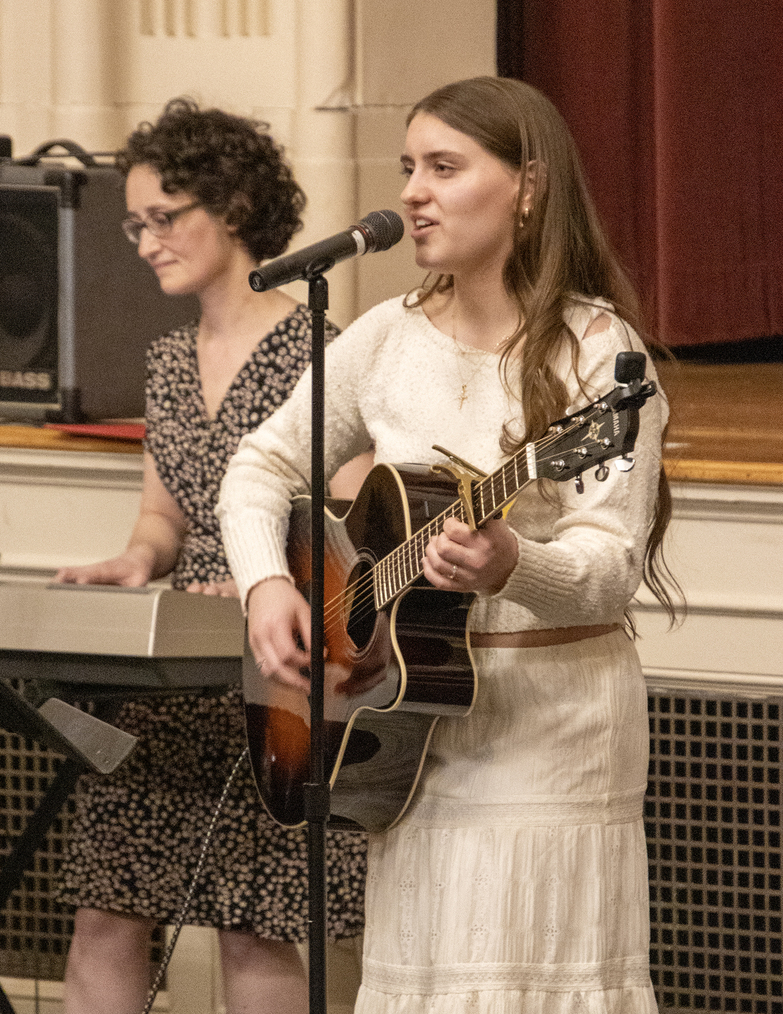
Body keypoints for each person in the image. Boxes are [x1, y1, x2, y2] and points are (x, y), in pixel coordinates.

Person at [217, 76, 678, 1013]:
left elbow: (610, 573)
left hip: (556, 731)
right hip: (411, 732)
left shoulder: (597, 356)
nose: (413, 193)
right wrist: (271, 587)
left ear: (529, 187)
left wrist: (517, 563)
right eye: (406, 169)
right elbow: (257, 468)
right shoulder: (388, 337)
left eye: (445, 167)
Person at [55, 98, 369, 1014]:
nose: (147, 241)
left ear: (231, 208)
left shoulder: (318, 348)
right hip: (169, 682)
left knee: (250, 920)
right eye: (136, 223)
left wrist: (269, 572)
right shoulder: (163, 359)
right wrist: (133, 560)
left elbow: (353, 513)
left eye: (166, 217)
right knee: (105, 913)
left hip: (268, 668)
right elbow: (164, 516)